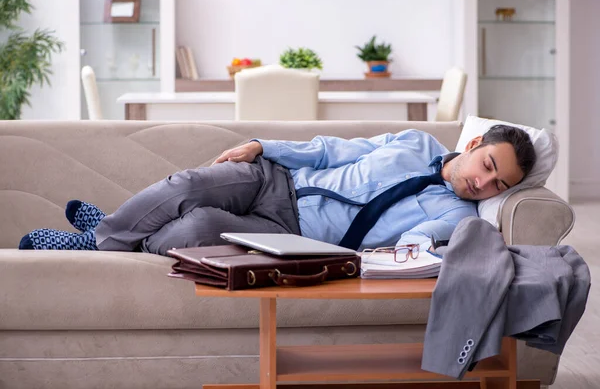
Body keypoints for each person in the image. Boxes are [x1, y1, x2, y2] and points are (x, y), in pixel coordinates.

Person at [19, 125, 536, 255]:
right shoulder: (414, 140)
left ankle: (107, 234)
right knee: (192, 184)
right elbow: (332, 150)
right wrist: (262, 146)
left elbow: (414, 244)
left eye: (500, 184)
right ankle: (105, 235)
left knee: (197, 227)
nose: (485, 183)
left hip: (291, 231)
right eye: (489, 165)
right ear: (473, 143)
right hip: (279, 180)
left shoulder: (455, 215)